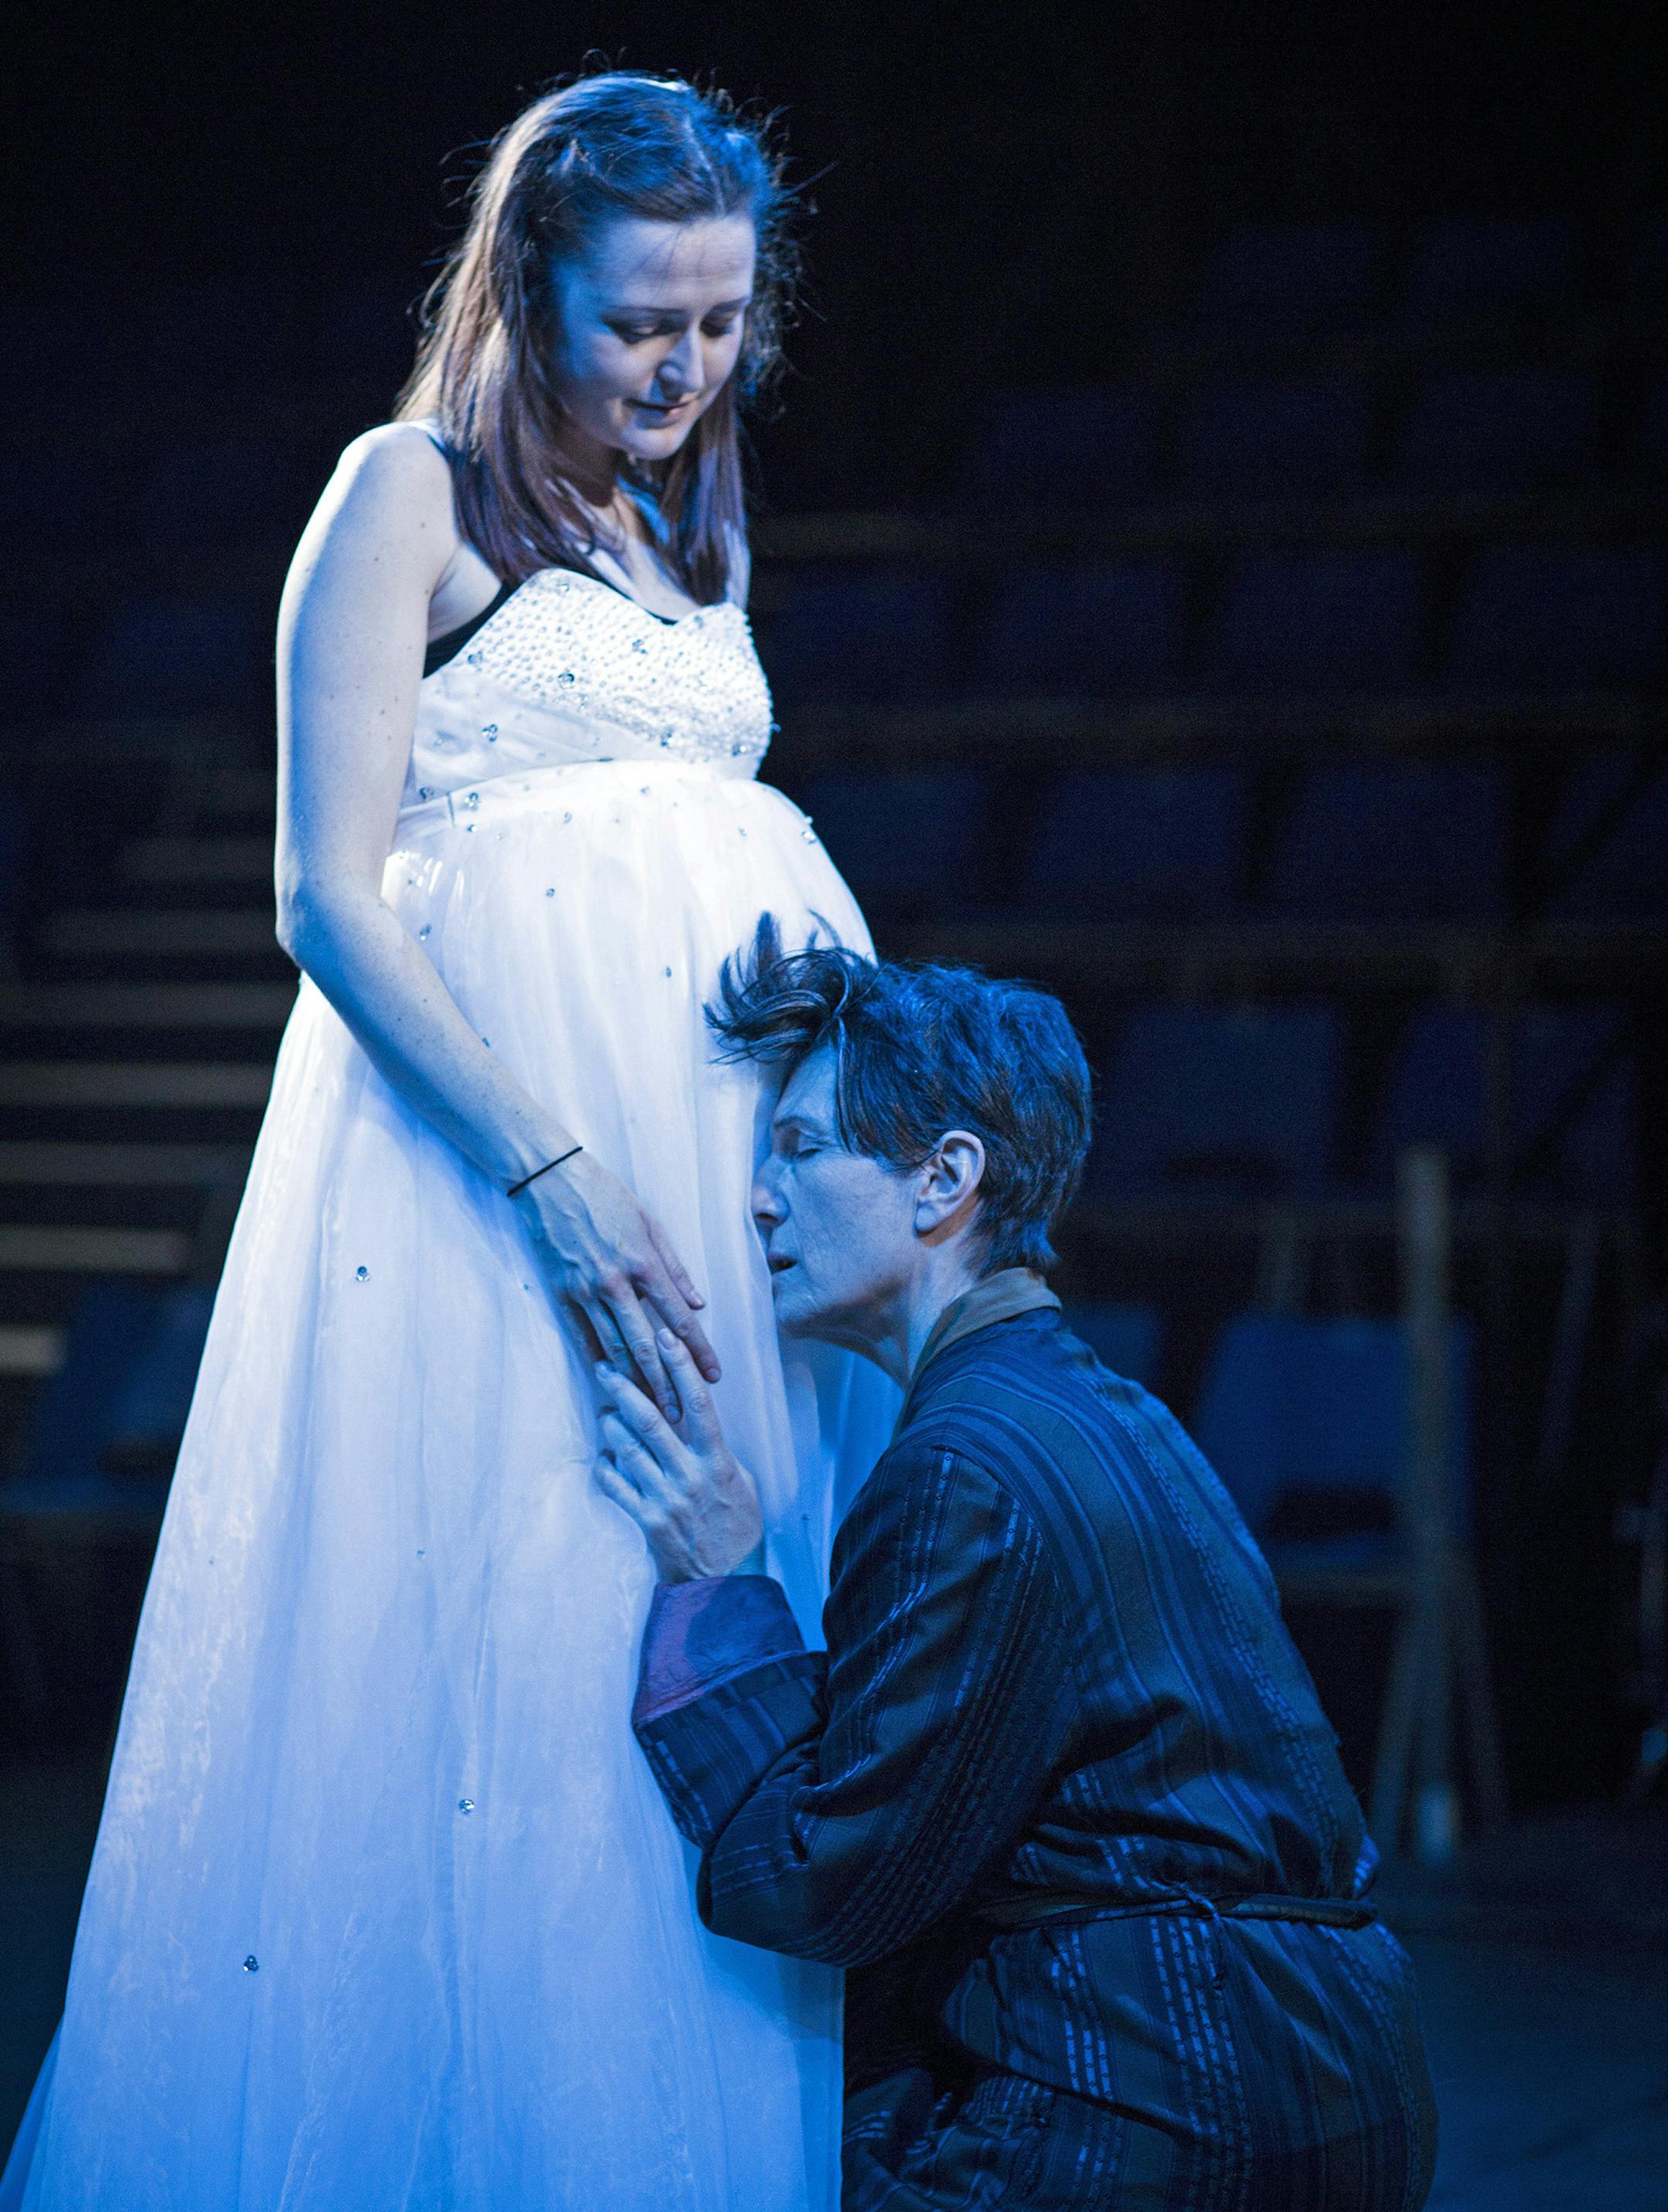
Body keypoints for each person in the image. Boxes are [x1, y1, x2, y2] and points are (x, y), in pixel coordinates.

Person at [2, 76, 895, 2212]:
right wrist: (555, 1172)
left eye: (720, 322)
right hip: (496, 1181)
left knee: (706, 1630)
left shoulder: (702, 515)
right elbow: (326, 894)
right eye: (640, 327)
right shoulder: (401, 496)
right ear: (527, 292)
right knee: (510, 1650)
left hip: (714, 1176)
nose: (686, 368)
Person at [598, 923, 1439, 2210]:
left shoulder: (964, 1463)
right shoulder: (1110, 1407)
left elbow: (829, 1878)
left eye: (804, 1147)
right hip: (1333, 2073)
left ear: (944, 1180)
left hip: (1166, 2094)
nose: (760, 1198)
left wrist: (727, 1588)